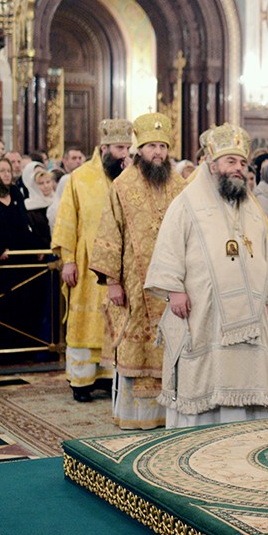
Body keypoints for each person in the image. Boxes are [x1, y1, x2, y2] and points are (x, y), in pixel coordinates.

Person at [145, 124, 268, 428]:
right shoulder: (186, 203)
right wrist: (174, 290)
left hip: (250, 314)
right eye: (230, 161)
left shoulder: (251, 208)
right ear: (211, 163)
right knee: (207, 376)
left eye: (242, 163)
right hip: (203, 310)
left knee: (247, 375)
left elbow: (265, 253)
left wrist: (267, 297)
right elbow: (169, 247)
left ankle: (245, 432)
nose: (238, 168)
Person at [91, 113, 186, 429]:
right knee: (135, 346)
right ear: (140, 149)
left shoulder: (179, 185)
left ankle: (171, 413)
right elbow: (110, 233)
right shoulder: (122, 185)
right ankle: (137, 416)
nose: (158, 152)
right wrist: (112, 281)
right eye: (151, 146)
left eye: (162, 146)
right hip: (134, 283)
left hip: (174, 283)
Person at [51, 120, 132, 403]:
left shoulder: (130, 178)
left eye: (128, 148)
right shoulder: (80, 177)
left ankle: (109, 377)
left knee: (114, 322)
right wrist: (68, 260)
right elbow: (67, 220)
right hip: (86, 267)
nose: (125, 154)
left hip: (120, 266)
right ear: (104, 148)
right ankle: (81, 380)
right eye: (120, 148)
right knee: (85, 322)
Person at [21, 163, 56, 247]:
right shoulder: (28, 206)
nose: (46, 186)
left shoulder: (57, 201)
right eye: (41, 183)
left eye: (48, 182)